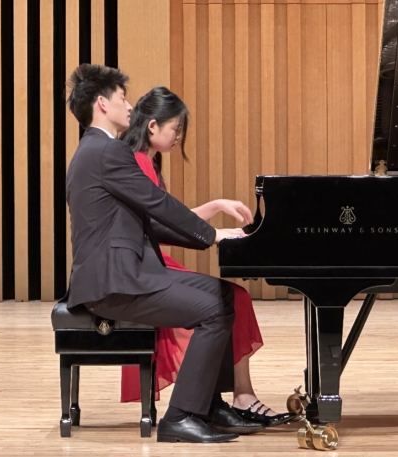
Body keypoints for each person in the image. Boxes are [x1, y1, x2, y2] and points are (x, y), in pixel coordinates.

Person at [65, 63, 264, 443]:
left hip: (122, 274)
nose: (129, 106)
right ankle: (181, 416)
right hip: (116, 282)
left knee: (224, 296)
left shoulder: (93, 151)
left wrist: (213, 237)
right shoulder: (108, 151)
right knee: (214, 308)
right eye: (122, 98)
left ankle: (207, 404)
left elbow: (149, 224)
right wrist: (212, 235)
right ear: (102, 103)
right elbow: (158, 204)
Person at [119, 86, 294, 427]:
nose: (178, 138)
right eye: (175, 129)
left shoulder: (144, 159)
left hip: (151, 261)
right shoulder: (138, 161)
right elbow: (161, 224)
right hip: (148, 265)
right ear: (153, 126)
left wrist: (215, 208)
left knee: (234, 298)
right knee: (233, 298)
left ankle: (226, 397)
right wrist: (216, 232)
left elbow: (165, 218)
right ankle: (237, 397)